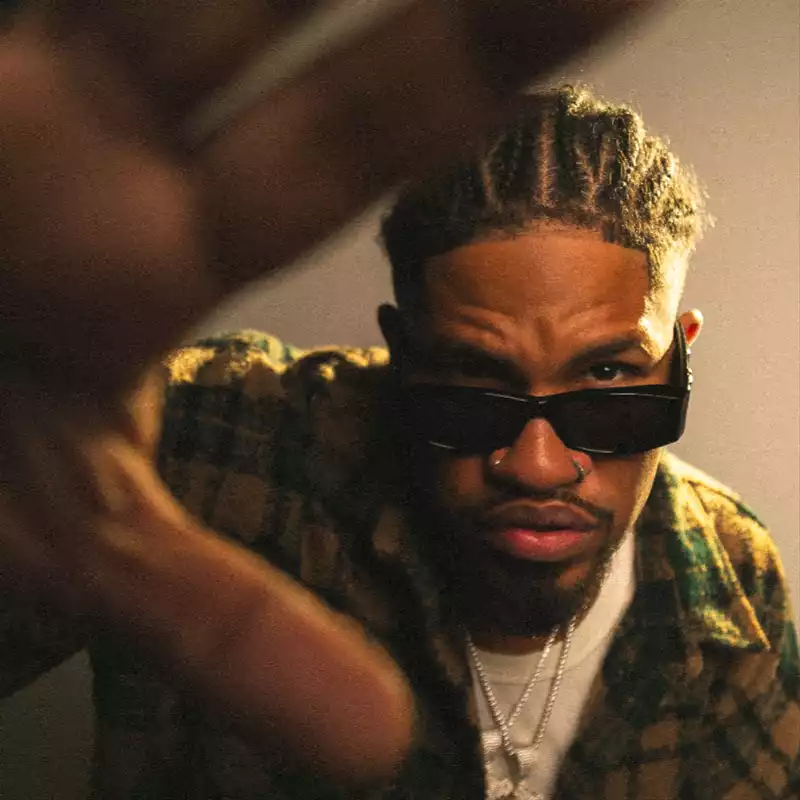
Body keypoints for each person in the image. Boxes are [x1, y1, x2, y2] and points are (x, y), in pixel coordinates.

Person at [1, 7, 797, 800]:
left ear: (679, 355)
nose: (538, 466)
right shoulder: (205, 441)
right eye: (471, 385)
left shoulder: (727, 574)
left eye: (611, 380)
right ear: (400, 353)